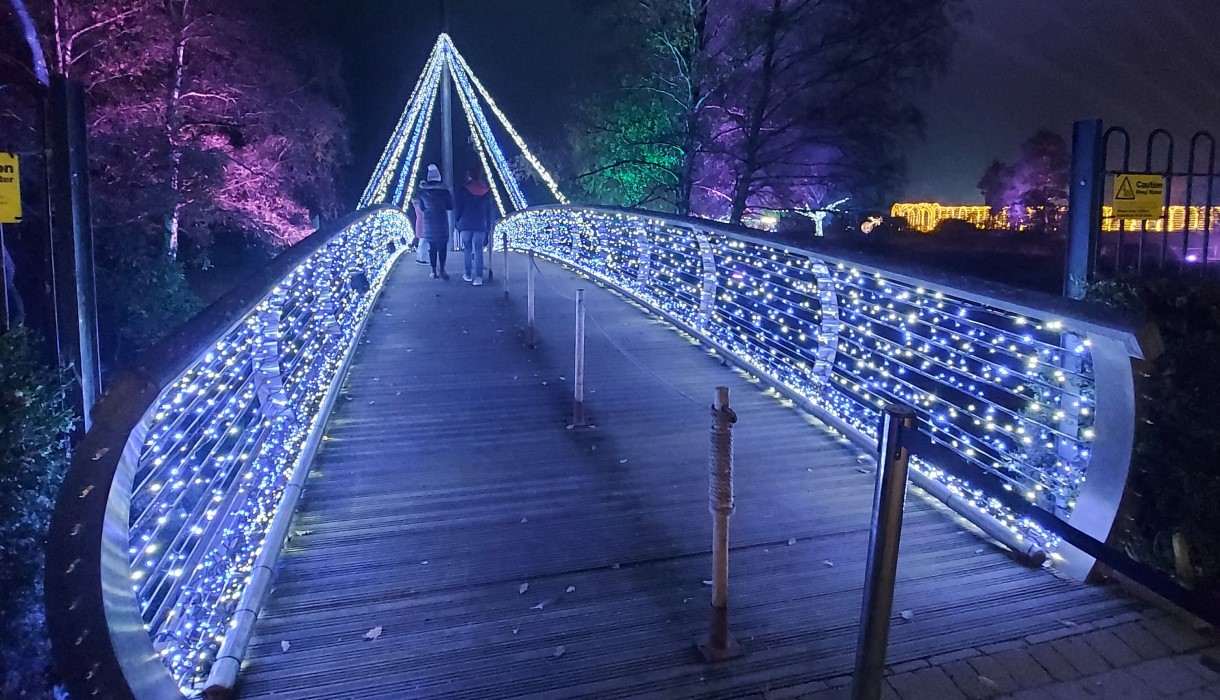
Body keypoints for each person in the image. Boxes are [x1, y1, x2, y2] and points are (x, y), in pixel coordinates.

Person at [454, 167, 496, 286]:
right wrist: (489, 224)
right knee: (478, 250)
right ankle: (478, 277)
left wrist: (457, 221)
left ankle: (467, 274)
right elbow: (489, 210)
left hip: (465, 224)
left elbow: (458, 207)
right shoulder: (486, 191)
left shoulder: (463, 190)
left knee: (467, 249)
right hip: (480, 224)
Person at [412, 164, 453, 279]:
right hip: (442, 222)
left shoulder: (422, 192)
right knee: (443, 247)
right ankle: (443, 269)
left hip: (429, 223)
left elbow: (422, 208)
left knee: (432, 247)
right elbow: (450, 206)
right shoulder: (445, 192)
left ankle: (434, 271)